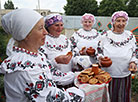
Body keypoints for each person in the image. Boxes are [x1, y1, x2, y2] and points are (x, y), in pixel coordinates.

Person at [0, 8, 85, 102]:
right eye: (41, 28)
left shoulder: (36, 55)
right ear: (25, 34)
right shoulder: (25, 67)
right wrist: (83, 92)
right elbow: (52, 98)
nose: (46, 32)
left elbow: (54, 74)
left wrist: (78, 76)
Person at [97, 11, 138, 102]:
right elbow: (99, 50)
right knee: (109, 97)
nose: (121, 24)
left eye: (123, 21)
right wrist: (101, 58)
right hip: (107, 74)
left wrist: (133, 62)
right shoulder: (105, 35)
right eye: (118, 21)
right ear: (113, 22)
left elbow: (135, 52)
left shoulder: (130, 36)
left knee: (123, 97)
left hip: (124, 74)